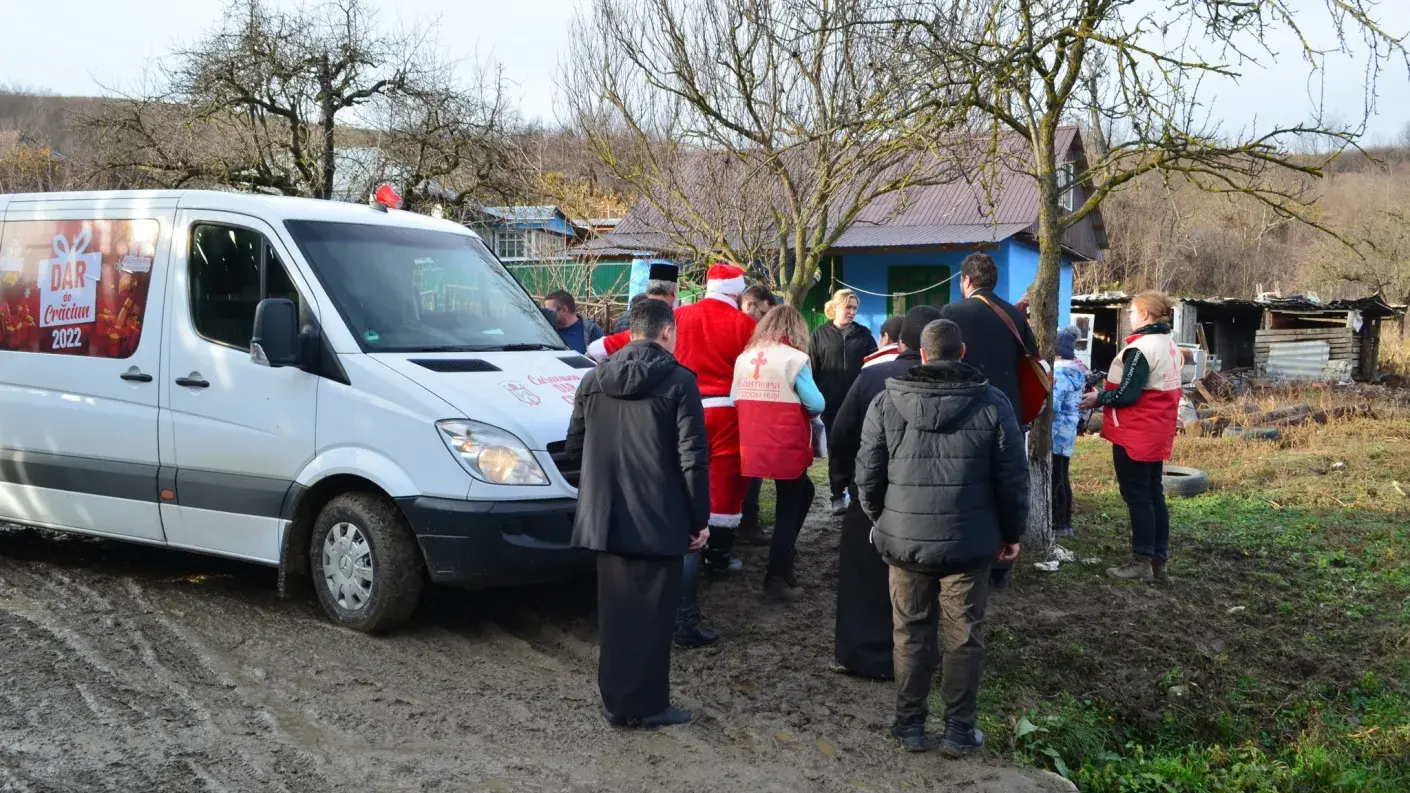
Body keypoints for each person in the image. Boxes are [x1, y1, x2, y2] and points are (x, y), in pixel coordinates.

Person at [855, 318, 1028, 756]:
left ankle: (909, 725)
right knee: (963, 635)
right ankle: (958, 731)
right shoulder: (993, 402)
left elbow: (867, 474)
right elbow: (1012, 478)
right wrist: (1011, 533)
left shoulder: (886, 401)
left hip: (905, 543)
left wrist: (884, 520)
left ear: (922, 354)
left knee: (909, 632)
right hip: (968, 544)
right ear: (962, 352)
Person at [565, 298, 709, 729]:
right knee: (654, 617)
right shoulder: (680, 382)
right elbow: (693, 457)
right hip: (659, 518)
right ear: (667, 332)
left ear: (631, 332)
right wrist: (699, 518)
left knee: (615, 614)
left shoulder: (592, 379)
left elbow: (574, 449)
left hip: (605, 517)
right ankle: (647, 706)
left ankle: (616, 701)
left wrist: (596, 492)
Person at [826, 305, 943, 680]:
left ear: (900, 342)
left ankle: (861, 655)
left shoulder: (872, 376)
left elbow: (842, 432)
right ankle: (919, 657)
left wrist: (842, 481)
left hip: (872, 492)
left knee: (864, 575)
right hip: (931, 498)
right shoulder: (959, 383)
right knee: (922, 582)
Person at [939, 253, 1039, 590]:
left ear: (966, 280)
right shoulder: (1014, 315)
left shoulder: (953, 312)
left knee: (966, 482)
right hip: (1007, 411)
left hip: (965, 412)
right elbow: (1030, 356)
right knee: (1003, 483)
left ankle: (964, 553)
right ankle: (1001, 565)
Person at [1079, 292, 1182, 583]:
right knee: (1154, 494)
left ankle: (1141, 561)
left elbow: (1127, 394)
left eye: (1132, 312)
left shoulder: (1141, 349)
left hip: (1137, 433)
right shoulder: (1170, 345)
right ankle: (1158, 560)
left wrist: (1099, 397)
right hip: (1158, 430)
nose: (1129, 316)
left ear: (1145, 315)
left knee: (1138, 497)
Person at [732, 306, 825, 603]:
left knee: (805, 492)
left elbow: (735, 397)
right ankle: (775, 576)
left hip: (752, 440)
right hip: (785, 442)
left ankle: (785, 554)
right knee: (788, 509)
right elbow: (817, 403)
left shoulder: (745, 357)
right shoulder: (794, 359)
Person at [810, 288, 877, 515]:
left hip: (860, 403)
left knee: (860, 449)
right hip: (831, 405)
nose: (852, 312)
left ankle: (857, 494)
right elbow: (812, 371)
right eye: (848, 307)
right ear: (835, 307)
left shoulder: (864, 335)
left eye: (855, 308)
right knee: (837, 450)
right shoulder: (819, 335)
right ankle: (837, 495)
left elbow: (874, 366)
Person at [737, 284, 779, 548]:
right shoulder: (738, 327)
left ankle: (747, 521)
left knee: (753, 470)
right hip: (734, 407)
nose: (763, 320)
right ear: (750, 305)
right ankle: (743, 524)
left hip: (750, 408)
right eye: (763, 313)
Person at [1051, 327, 1087, 539]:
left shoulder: (1059, 373)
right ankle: (1065, 522)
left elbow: (1053, 405)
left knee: (1055, 475)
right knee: (1063, 474)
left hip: (1056, 429)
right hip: (1069, 429)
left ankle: (1058, 523)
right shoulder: (1077, 371)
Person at [543, 290, 605, 355]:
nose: (546, 314)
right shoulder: (547, 330)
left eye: (549, 311)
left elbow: (604, 357)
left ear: (564, 310)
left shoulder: (592, 330)